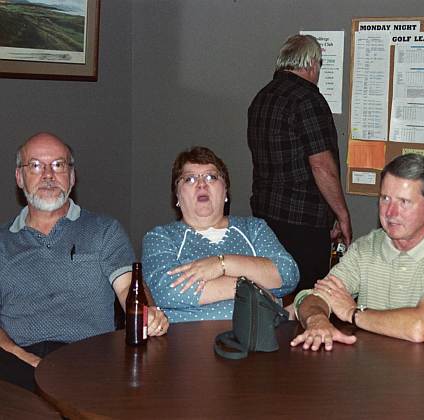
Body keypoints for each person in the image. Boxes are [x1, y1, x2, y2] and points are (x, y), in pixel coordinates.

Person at [0, 132, 168, 392]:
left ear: (72, 176)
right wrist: (23, 357)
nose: (48, 175)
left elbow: (128, 289)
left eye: (58, 165)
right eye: (35, 165)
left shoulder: (104, 230)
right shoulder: (2, 242)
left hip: (88, 361)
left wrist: (147, 316)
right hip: (16, 362)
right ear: (19, 177)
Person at [290, 153, 424, 351]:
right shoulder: (366, 248)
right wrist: (317, 320)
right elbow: (312, 297)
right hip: (374, 375)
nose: (390, 213)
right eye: (385, 198)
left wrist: (354, 313)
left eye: (404, 202)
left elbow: (420, 327)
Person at [142, 146, 298, 322]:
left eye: (211, 177)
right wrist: (250, 287)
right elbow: (165, 291)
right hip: (189, 344)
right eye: (189, 179)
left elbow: (287, 275)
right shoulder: (161, 237)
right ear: (177, 195)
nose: (201, 184)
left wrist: (222, 264)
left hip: (258, 342)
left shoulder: (254, 228)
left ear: (225, 191)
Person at [247, 34, 352, 293]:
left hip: (266, 217)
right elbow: (322, 166)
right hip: (303, 222)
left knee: (272, 292)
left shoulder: (261, 98)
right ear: (311, 64)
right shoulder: (308, 100)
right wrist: (342, 214)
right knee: (307, 297)